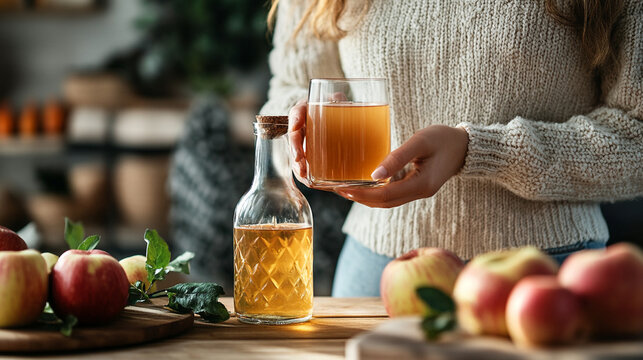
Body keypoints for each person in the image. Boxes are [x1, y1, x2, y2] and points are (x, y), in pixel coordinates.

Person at [259, 0, 643, 296]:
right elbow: (288, 93)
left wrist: (480, 150)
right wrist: (303, 131)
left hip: (546, 275)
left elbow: (636, 136)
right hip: (376, 270)